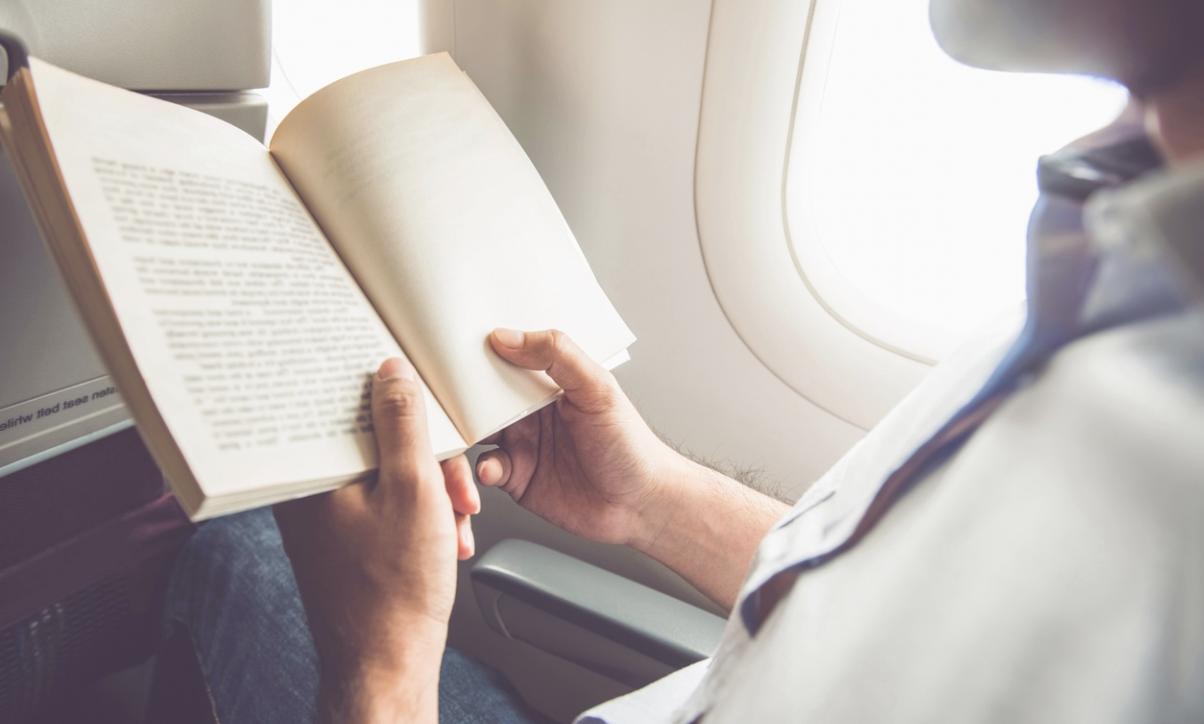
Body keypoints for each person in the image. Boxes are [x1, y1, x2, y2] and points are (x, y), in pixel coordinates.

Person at [164, 0, 1204, 721]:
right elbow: (940, 638)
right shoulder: (1118, 244)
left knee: (231, 544)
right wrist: (652, 500)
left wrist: (382, 671)